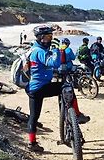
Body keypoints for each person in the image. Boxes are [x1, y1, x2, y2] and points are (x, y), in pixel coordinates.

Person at [26, 25, 90, 153]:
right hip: (41, 87)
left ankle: (32, 143)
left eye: (51, 36)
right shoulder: (39, 51)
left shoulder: (33, 50)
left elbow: (42, 67)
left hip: (33, 88)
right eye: (48, 37)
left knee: (33, 117)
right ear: (40, 38)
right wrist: (56, 50)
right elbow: (54, 63)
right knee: (66, 86)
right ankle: (76, 114)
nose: (50, 39)